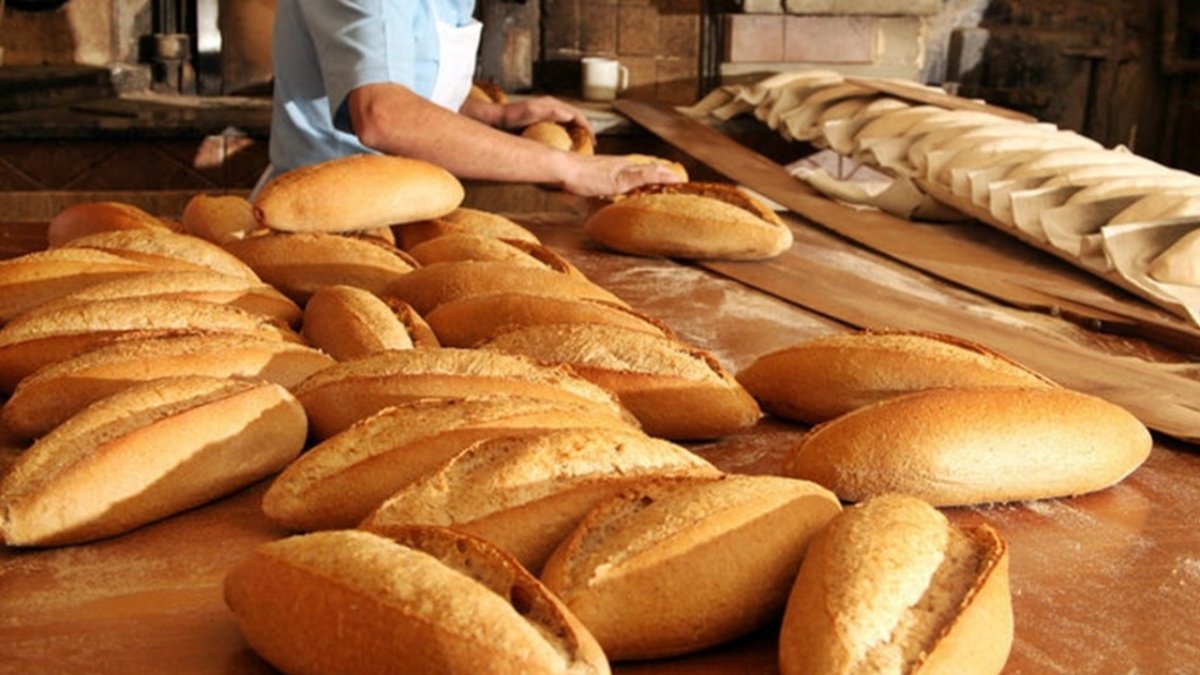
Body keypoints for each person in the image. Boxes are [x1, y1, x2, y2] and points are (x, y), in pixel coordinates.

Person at [262, 0, 685, 197]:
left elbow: (416, 80)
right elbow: (382, 113)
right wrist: (568, 168)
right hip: (322, 215)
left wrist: (494, 115)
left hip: (407, 206)